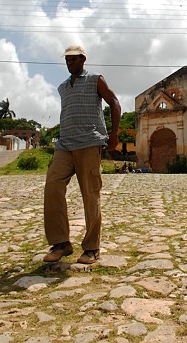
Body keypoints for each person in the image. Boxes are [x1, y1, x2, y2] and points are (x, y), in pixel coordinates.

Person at [43, 44, 121, 264]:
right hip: (65, 144)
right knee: (53, 186)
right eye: (67, 60)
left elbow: (114, 102)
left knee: (90, 193)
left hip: (89, 142)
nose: (70, 63)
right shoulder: (62, 87)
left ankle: (91, 247)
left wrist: (114, 134)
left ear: (83, 59)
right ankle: (61, 243)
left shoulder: (96, 79)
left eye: (74, 59)